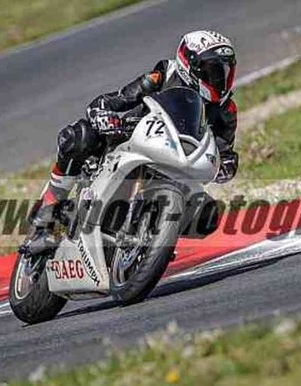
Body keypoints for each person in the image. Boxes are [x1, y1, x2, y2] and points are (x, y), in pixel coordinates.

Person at [20, 30, 239, 255]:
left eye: (225, 71)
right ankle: (47, 213)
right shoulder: (164, 75)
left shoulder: (226, 109)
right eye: (213, 70)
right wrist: (105, 115)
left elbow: (224, 152)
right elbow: (118, 99)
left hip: (179, 165)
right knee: (79, 136)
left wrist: (225, 165)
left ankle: (157, 237)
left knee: (208, 215)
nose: (220, 79)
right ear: (190, 64)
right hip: (131, 139)